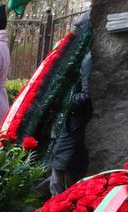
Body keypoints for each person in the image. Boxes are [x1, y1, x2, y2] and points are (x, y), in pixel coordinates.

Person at [47, 12, 92, 195]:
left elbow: (87, 95)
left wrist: (64, 101)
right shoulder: (79, 56)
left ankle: (59, 206)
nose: (74, 33)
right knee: (57, 171)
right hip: (66, 122)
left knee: (63, 171)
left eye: (79, 28)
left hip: (74, 124)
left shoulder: (88, 59)